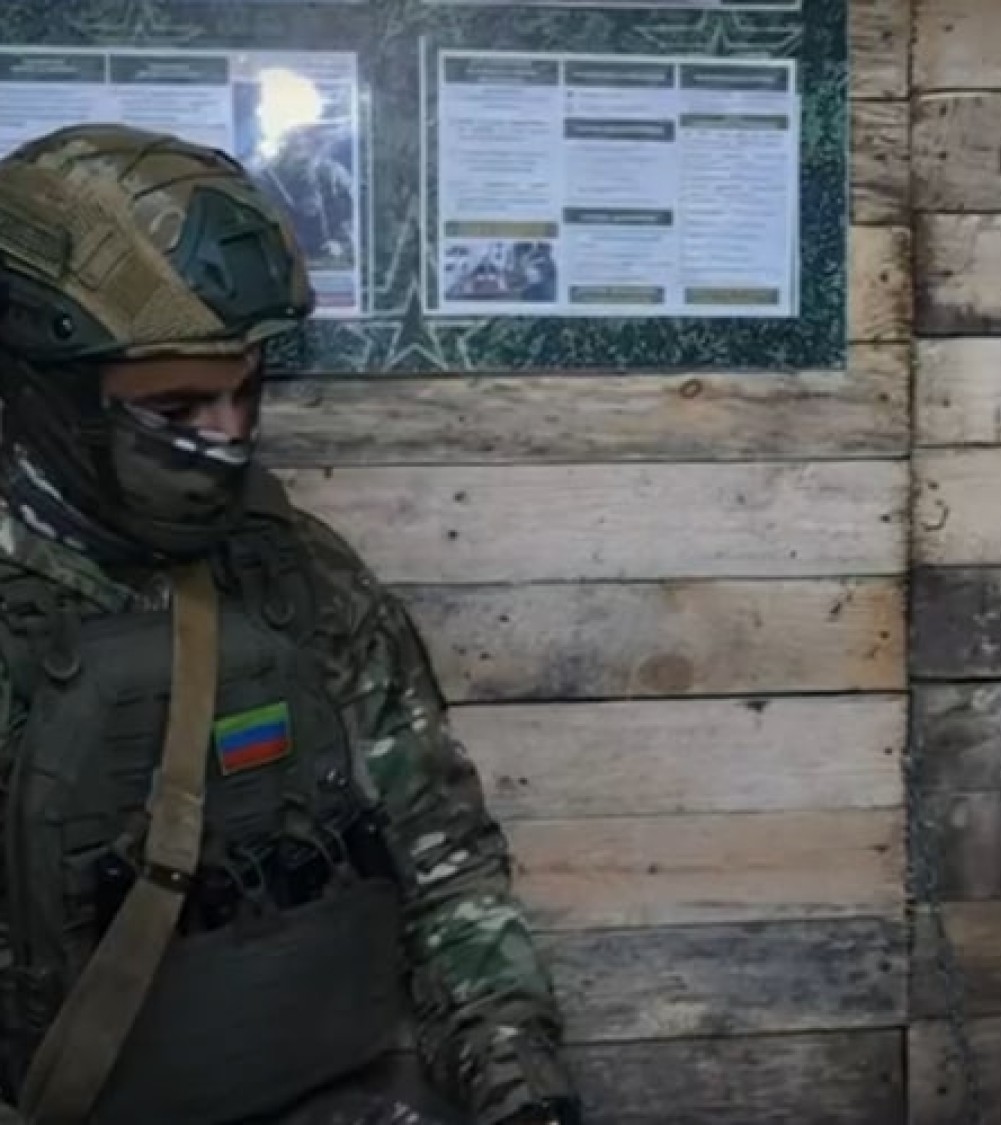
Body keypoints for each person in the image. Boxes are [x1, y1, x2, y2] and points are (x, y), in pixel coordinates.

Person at [0, 124, 580, 1125]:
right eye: (176, 408)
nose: (227, 435)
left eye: (246, 392)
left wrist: (523, 1089)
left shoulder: (300, 576)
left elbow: (442, 862)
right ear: (47, 394)